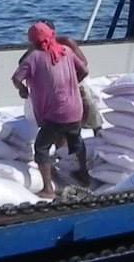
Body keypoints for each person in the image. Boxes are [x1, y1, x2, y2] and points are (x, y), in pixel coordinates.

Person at [13, 21, 93, 197]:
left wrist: (23, 90)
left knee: (41, 147)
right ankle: (84, 175)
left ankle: (48, 188)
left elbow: (16, 78)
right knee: (76, 140)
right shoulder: (66, 51)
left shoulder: (34, 57)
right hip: (74, 110)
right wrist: (73, 82)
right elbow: (85, 70)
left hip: (53, 113)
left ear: (33, 40)